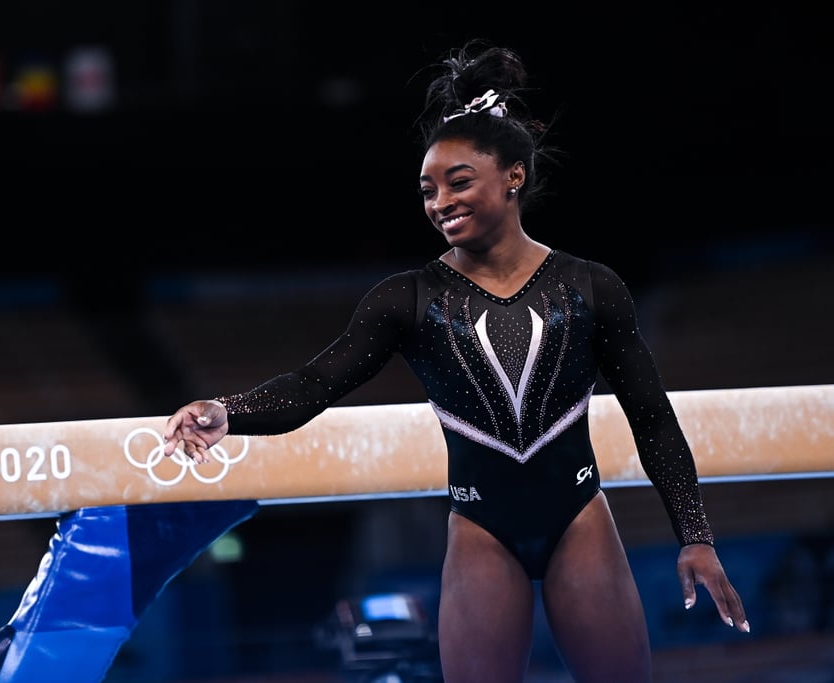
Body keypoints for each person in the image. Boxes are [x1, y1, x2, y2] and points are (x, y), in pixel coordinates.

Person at [163, 38, 749, 683]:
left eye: (459, 181)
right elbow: (313, 385)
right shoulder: (407, 300)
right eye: (426, 190)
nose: (440, 201)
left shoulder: (590, 287)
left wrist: (696, 536)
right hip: (481, 530)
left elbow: (653, 419)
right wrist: (227, 410)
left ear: (514, 176)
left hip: (579, 519)